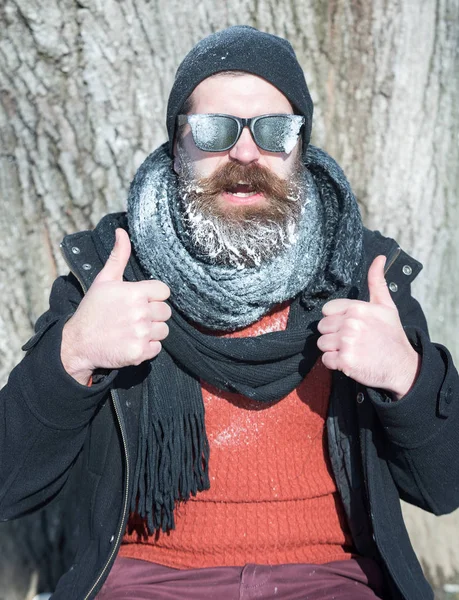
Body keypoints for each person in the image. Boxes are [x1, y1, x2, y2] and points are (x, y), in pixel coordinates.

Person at [0, 25, 458, 600]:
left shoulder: (363, 278)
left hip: (331, 579)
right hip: (148, 581)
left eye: (274, 130)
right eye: (215, 130)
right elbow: (10, 485)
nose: (246, 152)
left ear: (300, 147)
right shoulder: (112, 275)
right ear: (177, 145)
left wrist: (405, 377)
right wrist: (73, 355)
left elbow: (445, 486)